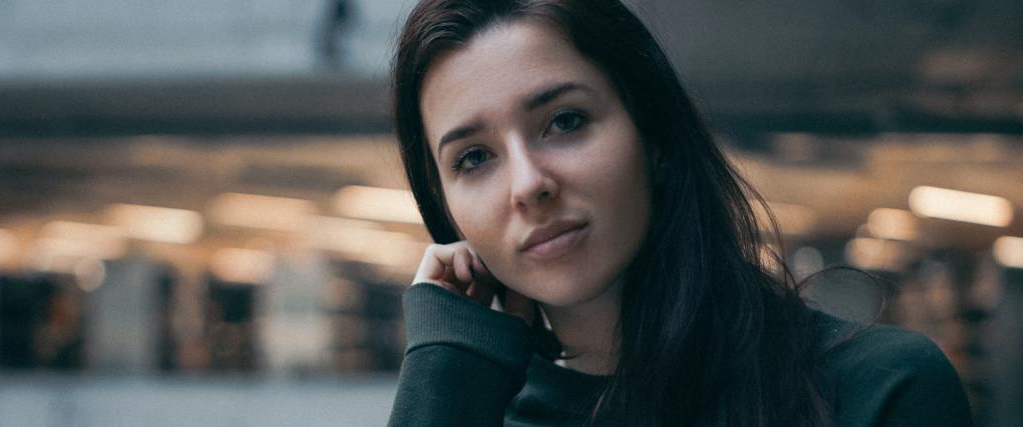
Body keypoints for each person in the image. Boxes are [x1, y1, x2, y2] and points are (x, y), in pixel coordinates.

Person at [385, 0, 974, 425]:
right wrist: (441, 379)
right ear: (447, 210)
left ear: (656, 139)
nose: (528, 184)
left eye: (565, 121)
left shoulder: (880, 389)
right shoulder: (469, 408)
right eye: (474, 158)